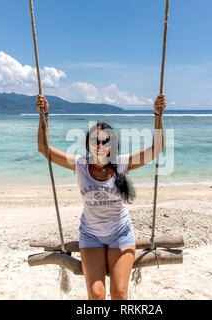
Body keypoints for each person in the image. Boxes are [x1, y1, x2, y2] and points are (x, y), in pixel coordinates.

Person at [36, 94, 166, 300]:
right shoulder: (80, 165)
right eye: (96, 140)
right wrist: (45, 116)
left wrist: (157, 116)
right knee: (96, 295)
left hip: (120, 234)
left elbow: (156, 150)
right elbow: (45, 150)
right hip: (91, 235)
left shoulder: (122, 164)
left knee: (119, 293)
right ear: (88, 144)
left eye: (106, 141)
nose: (100, 145)